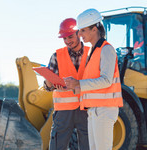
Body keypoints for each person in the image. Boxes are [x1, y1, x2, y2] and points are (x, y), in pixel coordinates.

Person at [64, 9, 123, 150]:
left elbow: (106, 80)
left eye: (83, 30)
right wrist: (72, 86)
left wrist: (79, 83)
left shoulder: (107, 49)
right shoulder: (92, 51)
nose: (79, 34)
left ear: (94, 29)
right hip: (94, 110)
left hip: (104, 110)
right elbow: (92, 84)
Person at [44, 18, 90, 150]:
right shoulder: (56, 56)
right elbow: (47, 86)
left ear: (79, 34)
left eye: (70, 36)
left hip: (86, 108)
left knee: (88, 146)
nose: (68, 41)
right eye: (64, 38)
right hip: (63, 112)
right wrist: (50, 81)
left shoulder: (91, 54)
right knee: (57, 146)